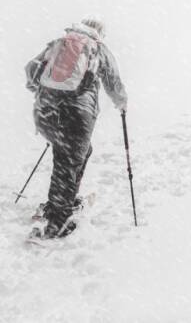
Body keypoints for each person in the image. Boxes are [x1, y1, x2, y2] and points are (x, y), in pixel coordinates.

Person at [25, 18, 128, 238]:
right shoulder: (98, 49)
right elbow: (113, 82)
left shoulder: (59, 43)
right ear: (99, 33)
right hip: (76, 115)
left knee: (70, 154)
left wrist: (45, 94)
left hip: (45, 113)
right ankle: (58, 221)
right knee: (68, 161)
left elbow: (31, 70)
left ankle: (59, 204)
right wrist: (122, 103)